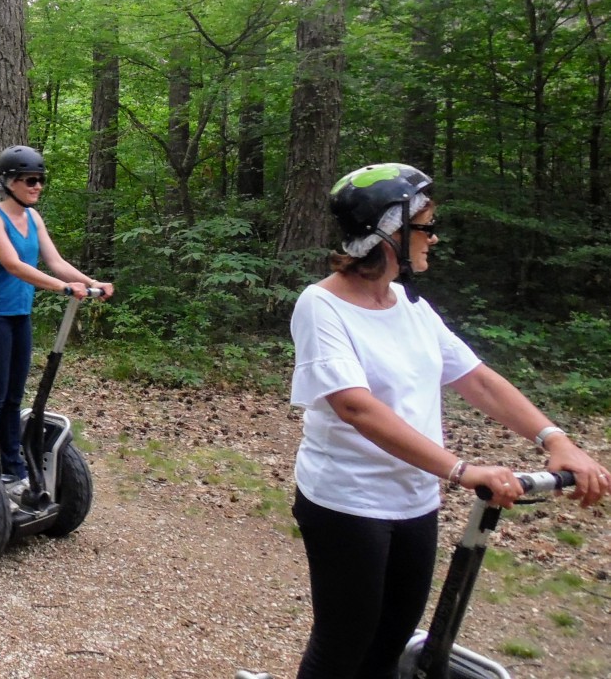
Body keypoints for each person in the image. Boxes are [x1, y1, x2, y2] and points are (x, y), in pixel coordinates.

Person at [238, 162, 609, 679]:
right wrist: (460, 470)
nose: (434, 238)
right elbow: (356, 407)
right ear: (389, 232)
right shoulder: (321, 306)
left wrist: (555, 439)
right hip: (347, 501)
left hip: (414, 499)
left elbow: (476, 378)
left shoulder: (410, 305)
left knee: (391, 640)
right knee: (345, 642)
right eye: (426, 226)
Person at [0, 145, 113, 504]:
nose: (37, 186)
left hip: (20, 317)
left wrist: (90, 282)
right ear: (9, 182)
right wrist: (64, 288)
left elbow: (55, 260)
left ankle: (13, 468)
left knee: (16, 396)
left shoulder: (34, 218)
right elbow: (14, 265)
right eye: (30, 180)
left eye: (40, 180)